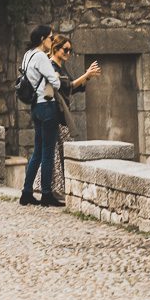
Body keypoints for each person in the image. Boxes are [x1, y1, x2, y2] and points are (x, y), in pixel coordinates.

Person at [34, 34, 101, 198]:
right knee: (57, 151)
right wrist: (86, 75)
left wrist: (87, 77)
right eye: (65, 49)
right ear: (55, 49)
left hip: (59, 114)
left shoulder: (60, 67)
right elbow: (67, 85)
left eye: (70, 50)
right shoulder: (50, 66)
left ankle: (42, 185)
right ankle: (53, 188)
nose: (68, 53)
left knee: (58, 150)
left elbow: (72, 88)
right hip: (52, 113)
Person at [19, 23, 63, 207]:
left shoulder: (27, 55)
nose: (52, 41)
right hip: (47, 106)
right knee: (47, 152)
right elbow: (55, 82)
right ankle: (46, 194)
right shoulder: (41, 57)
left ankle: (26, 192)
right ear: (42, 39)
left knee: (37, 151)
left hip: (36, 107)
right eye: (51, 38)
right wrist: (56, 78)